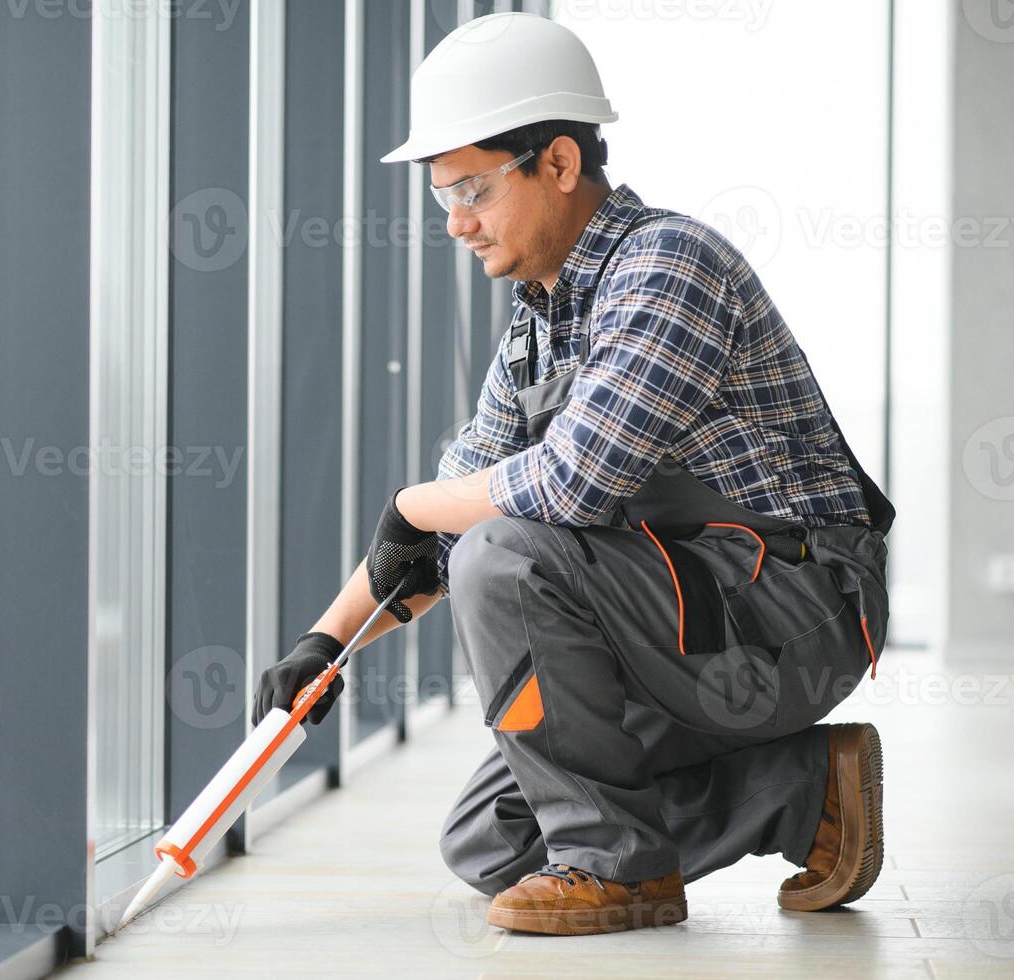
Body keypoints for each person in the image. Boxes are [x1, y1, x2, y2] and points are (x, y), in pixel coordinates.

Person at [252, 12, 893, 937]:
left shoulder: (669, 267)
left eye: (470, 188)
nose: (456, 222)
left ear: (557, 162)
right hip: (680, 624)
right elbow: (446, 517)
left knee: (506, 557)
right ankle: (801, 793)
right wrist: (324, 642)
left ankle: (617, 872)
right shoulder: (536, 322)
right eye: (441, 197)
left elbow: (564, 489)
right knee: (493, 844)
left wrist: (412, 506)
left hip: (794, 614)